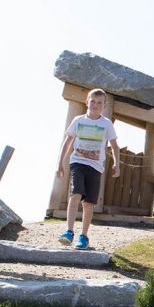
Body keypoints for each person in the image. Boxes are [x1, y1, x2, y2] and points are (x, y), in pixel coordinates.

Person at [56, 88, 120, 250]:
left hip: (96, 167)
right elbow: (68, 142)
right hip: (78, 163)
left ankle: (83, 236)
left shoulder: (106, 124)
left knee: (89, 203)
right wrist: (60, 163)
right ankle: (69, 231)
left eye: (100, 103)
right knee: (75, 194)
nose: (96, 105)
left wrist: (116, 164)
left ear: (104, 105)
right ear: (87, 102)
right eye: (93, 101)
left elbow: (114, 145)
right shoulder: (78, 120)